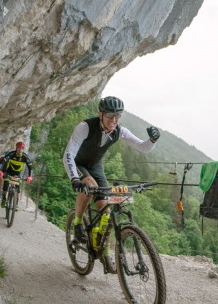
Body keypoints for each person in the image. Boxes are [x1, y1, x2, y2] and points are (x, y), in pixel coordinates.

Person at [62, 96, 160, 274]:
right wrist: (75, 179)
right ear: (100, 113)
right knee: (90, 186)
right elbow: (68, 153)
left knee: (106, 213)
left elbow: (142, 147)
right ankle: (77, 223)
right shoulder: (85, 127)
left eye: (118, 116)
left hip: (96, 166)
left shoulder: (119, 131)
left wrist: (152, 140)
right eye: (110, 116)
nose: (114, 120)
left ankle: (105, 254)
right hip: (79, 164)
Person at [0, 142, 34, 210]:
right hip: (8, 172)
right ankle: (4, 198)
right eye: (19, 148)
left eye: (22, 148)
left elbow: (30, 166)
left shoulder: (25, 157)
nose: (20, 150)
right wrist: (0, 170)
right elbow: (4, 161)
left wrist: (30, 176)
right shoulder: (11, 154)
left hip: (17, 174)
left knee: (18, 187)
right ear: (16, 148)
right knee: (6, 182)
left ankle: (16, 204)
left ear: (23, 149)